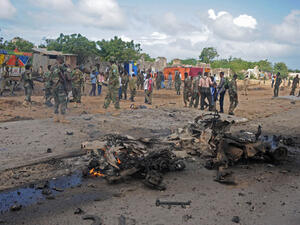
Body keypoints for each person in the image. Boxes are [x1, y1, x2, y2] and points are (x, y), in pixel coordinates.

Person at [51, 56, 70, 123]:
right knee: (63, 102)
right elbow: (66, 74)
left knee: (56, 102)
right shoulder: (60, 67)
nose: (63, 61)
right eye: (62, 60)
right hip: (60, 86)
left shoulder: (52, 67)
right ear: (60, 60)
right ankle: (63, 119)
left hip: (54, 86)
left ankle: (55, 118)